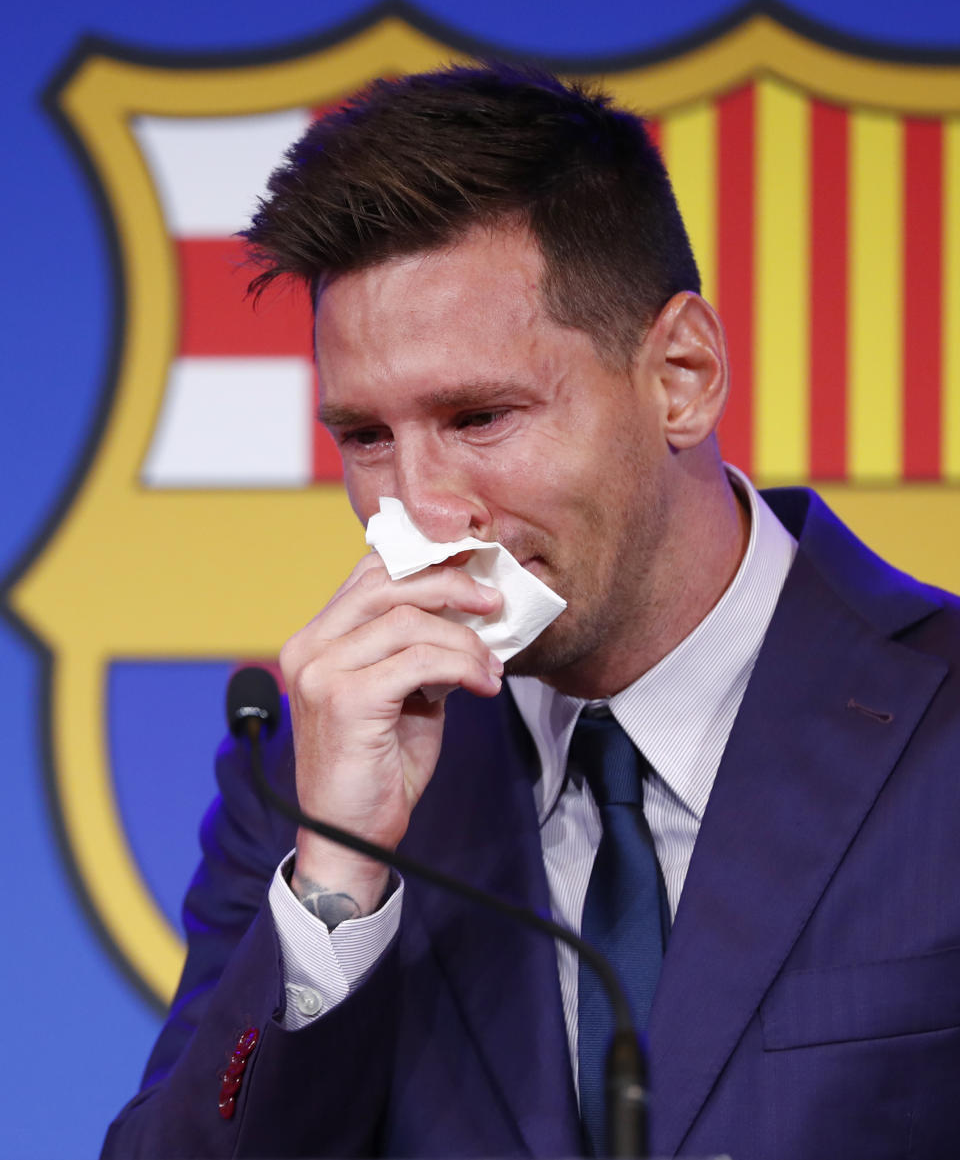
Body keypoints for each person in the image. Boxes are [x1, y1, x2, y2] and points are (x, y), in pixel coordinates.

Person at [103, 64, 960, 1160]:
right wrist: (337, 884)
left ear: (683, 375)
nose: (416, 511)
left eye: (479, 415)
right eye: (366, 438)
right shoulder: (303, 784)